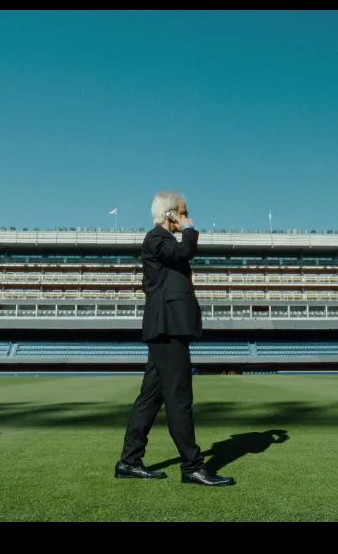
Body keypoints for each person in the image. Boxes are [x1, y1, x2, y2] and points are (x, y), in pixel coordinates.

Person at [115, 190, 234, 486]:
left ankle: (129, 461)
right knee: (180, 398)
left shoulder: (164, 240)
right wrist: (190, 230)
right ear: (168, 214)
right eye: (182, 211)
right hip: (167, 328)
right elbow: (183, 253)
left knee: (150, 398)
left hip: (166, 327)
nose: (186, 215)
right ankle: (192, 466)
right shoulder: (157, 238)